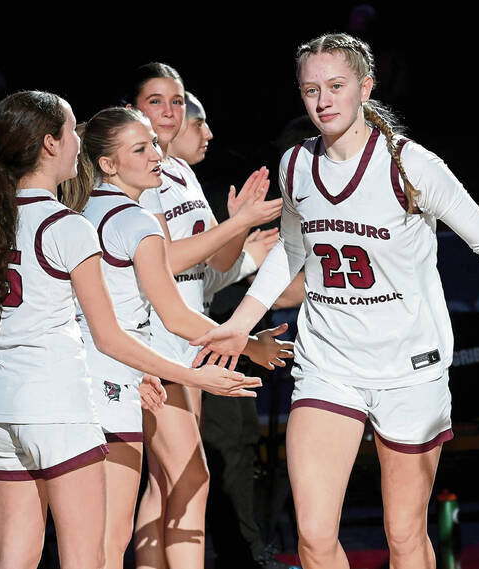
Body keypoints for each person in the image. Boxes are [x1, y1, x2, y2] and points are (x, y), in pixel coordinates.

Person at [192, 33, 479, 569]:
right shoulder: (296, 164)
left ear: (365, 87)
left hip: (410, 367)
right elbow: (292, 250)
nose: (323, 101)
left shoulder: (412, 166)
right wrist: (242, 321)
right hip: (329, 362)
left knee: (404, 535)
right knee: (314, 538)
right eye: (310, 89)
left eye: (336, 86)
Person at [0, 91, 260, 569]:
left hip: (0, 403)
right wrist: (199, 375)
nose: (78, 140)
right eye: (71, 131)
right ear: (50, 144)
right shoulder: (73, 223)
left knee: (15, 555)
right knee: (94, 553)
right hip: (68, 401)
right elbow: (110, 334)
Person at [61, 106, 293, 569]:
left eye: (154, 145)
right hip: (120, 375)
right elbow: (175, 317)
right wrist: (248, 344)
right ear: (108, 163)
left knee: (107, 527)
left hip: (95, 373)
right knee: (112, 532)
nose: (156, 157)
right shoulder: (136, 221)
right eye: (142, 149)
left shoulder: (86, 210)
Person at [122, 63, 287, 569]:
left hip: (187, 337)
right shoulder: (136, 173)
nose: (170, 112)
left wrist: (239, 234)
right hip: (154, 338)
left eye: (177, 101)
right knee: (185, 479)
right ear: (133, 109)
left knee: (167, 482)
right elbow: (165, 260)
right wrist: (236, 225)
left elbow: (212, 265)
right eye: (157, 101)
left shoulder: (179, 171)